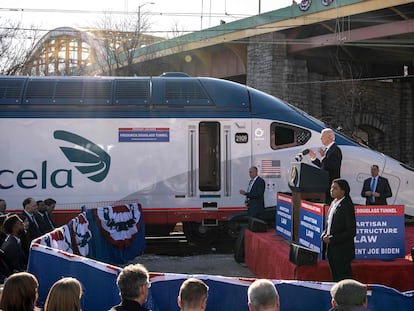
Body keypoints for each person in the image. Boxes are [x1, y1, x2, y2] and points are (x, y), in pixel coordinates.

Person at [321, 179, 356, 282]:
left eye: (335, 188)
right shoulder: (333, 203)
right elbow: (329, 224)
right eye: (331, 187)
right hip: (332, 250)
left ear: (343, 191)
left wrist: (333, 239)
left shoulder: (347, 206)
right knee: (335, 278)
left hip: (342, 251)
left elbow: (351, 232)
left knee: (344, 280)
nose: (332, 190)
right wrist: (323, 235)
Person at [308, 128, 342, 204]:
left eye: (322, 136)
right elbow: (324, 166)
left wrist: (323, 156)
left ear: (330, 137)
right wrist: (314, 158)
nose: (320, 138)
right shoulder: (328, 149)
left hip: (331, 183)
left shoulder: (335, 149)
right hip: (325, 184)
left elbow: (334, 166)